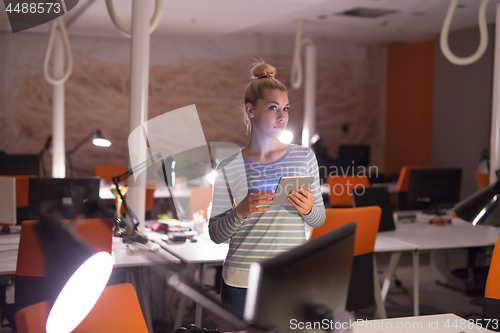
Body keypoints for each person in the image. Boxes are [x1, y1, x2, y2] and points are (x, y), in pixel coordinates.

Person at [209, 62, 326, 317]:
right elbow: (215, 234)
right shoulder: (229, 165)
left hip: (290, 275)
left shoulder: (304, 157)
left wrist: (308, 210)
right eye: (273, 108)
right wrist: (240, 211)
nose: (282, 117)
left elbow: (319, 217)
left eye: (285, 109)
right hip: (241, 282)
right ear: (250, 110)